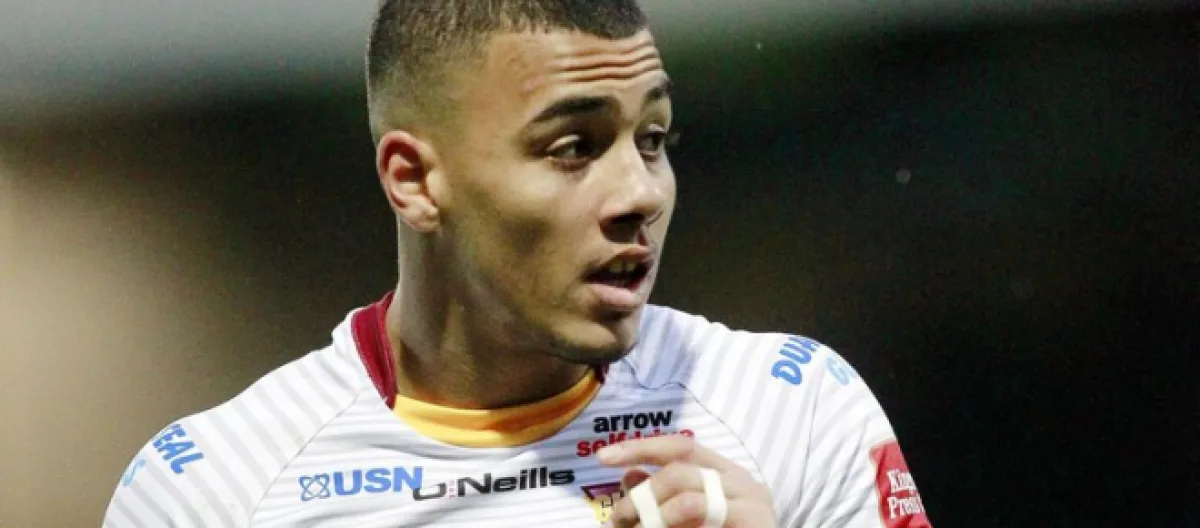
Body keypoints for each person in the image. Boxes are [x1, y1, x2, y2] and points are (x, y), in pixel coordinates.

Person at [103, 1, 931, 526]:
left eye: (651, 138)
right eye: (573, 147)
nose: (640, 193)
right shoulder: (213, 491)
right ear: (414, 181)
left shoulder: (793, 411)